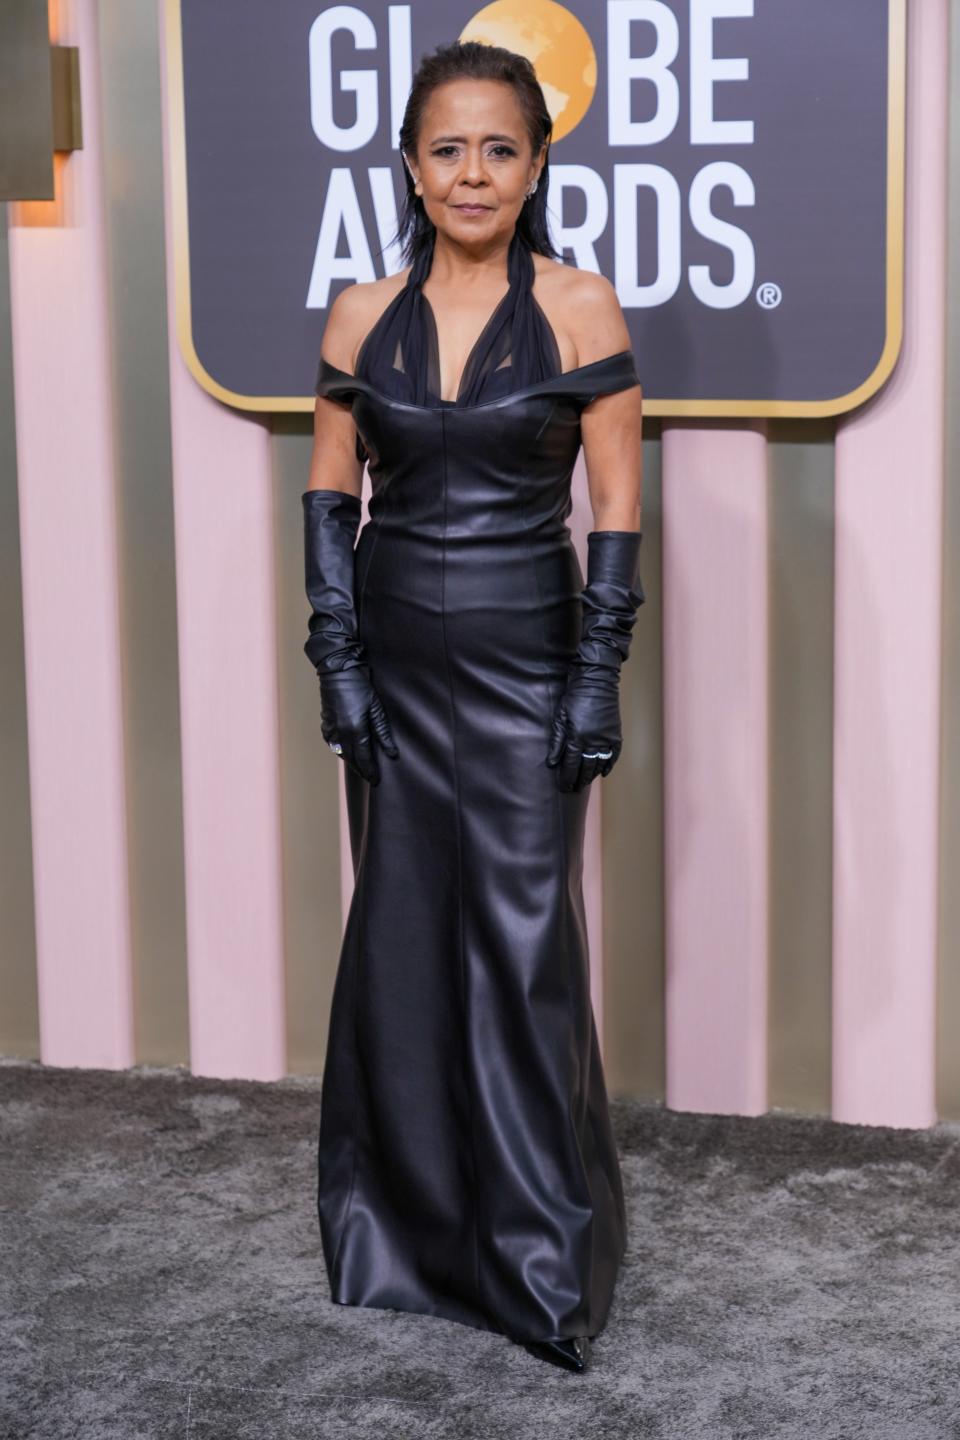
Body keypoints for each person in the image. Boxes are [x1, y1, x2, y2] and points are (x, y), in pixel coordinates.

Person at [302, 39, 644, 1375]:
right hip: (390, 662)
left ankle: (534, 1255)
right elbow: (333, 495)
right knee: (398, 940)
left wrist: (598, 671)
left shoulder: (580, 307)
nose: (473, 172)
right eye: (447, 148)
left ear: (540, 160)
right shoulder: (355, 313)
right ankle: (400, 1237)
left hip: (523, 662)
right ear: (409, 164)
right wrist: (335, 657)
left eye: (500, 146)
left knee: (519, 951)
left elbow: (614, 500)